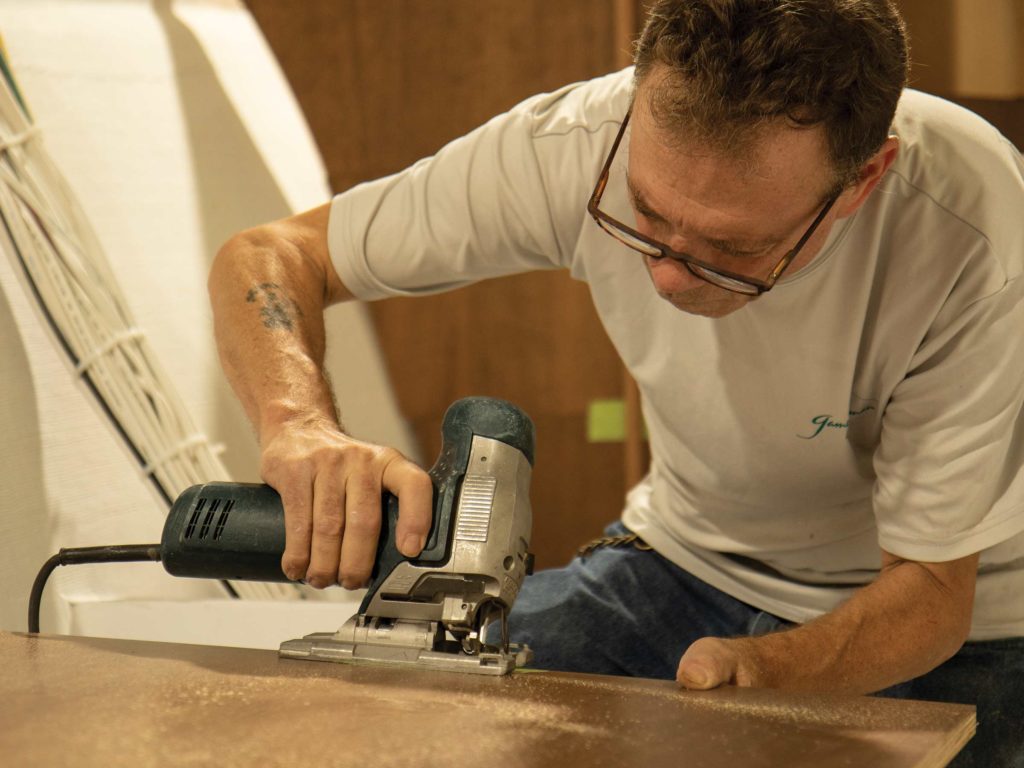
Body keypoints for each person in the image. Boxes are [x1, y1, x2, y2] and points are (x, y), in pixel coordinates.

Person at [209, 1, 1023, 764]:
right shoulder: (575, 142)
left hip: (960, 617)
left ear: (864, 179)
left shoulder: (971, 226)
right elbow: (270, 256)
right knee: (401, 718)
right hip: (686, 559)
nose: (667, 278)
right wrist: (296, 423)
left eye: (731, 248)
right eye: (645, 214)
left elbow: (930, 595)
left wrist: (763, 677)